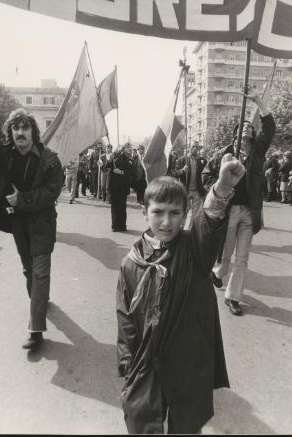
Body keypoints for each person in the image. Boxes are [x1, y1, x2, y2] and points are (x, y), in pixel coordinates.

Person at [117, 154, 247, 434]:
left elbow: (209, 223)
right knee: (141, 420)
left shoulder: (192, 250)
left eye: (175, 213)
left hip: (187, 358)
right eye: (158, 212)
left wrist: (223, 187)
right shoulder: (131, 262)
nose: (166, 222)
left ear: (186, 213)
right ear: (144, 211)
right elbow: (125, 317)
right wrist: (128, 364)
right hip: (146, 359)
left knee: (186, 425)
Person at [0, 108, 64, 349]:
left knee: (40, 272)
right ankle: (39, 301)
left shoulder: (50, 159)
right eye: (15, 128)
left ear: (33, 132)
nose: (20, 132)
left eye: (24, 128)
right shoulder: (4, 156)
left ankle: (35, 329)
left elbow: (52, 193)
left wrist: (24, 199)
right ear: (10, 131)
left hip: (42, 224)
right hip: (18, 223)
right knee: (29, 270)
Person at [202, 91, 275, 315]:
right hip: (229, 210)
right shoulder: (224, 154)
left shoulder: (258, 152)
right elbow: (205, 178)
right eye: (242, 127)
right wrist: (222, 188)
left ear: (253, 134)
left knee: (242, 257)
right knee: (226, 253)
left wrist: (257, 100)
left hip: (249, 212)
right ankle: (218, 272)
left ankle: (233, 297)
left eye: (249, 127)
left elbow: (270, 127)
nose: (246, 128)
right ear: (235, 134)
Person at [176, 141, 207, 229]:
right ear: (190, 147)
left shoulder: (202, 160)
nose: (195, 149)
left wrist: (205, 187)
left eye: (197, 147)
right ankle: (180, 230)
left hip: (197, 192)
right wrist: (182, 170)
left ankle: (190, 232)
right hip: (186, 191)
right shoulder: (182, 159)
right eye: (193, 146)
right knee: (184, 212)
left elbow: (207, 174)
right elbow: (175, 173)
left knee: (195, 215)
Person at [108, 143, 133, 232]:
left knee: (122, 206)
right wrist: (110, 159)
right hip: (114, 185)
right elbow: (107, 165)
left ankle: (122, 225)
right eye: (127, 147)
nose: (129, 149)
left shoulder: (130, 159)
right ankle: (114, 225)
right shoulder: (114, 157)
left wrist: (121, 172)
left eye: (130, 148)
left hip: (123, 186)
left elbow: (130, 172)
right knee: (114, 206)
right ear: (122, 149)